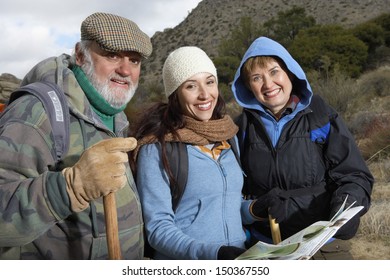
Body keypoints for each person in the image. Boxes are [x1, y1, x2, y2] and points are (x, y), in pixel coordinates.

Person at [0, 12, 152, 260]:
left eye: (134, 61)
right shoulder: (37, 111)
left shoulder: (116, 117)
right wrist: (71, 187)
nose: (125, 70)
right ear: (80, 55)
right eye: (112, 55)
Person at [231, 36, 374, 259]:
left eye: (274, 71)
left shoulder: (319, 114)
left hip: (322, 245)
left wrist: (345, 209)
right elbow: (232, 194)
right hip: (266, 248)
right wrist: (253, 209)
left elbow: (353, 175)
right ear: (248, 86)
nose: (268, 84)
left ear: (289, 72)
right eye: (257, 77)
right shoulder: (241, 129)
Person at [130, 46, 246, 260]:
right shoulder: (157, 147)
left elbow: (225, 203)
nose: (205, 94)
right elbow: (158, 229)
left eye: (209, 82)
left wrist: (255, 209)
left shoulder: (228, 136)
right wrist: (213, 253)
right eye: (191, 86)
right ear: (175, 95)